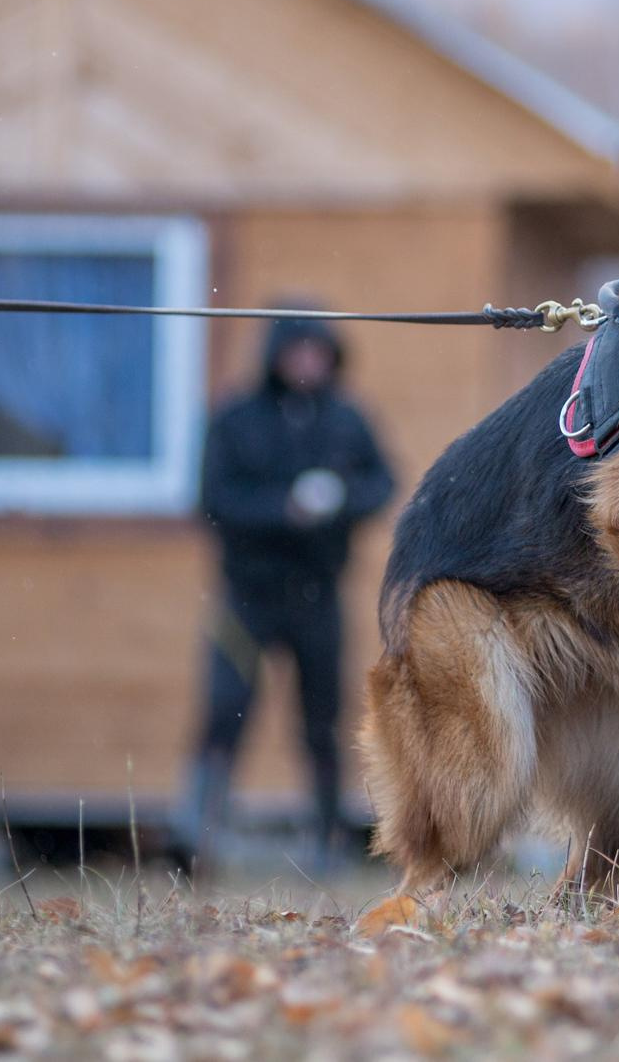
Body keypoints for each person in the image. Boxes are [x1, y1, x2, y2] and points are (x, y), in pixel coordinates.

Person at [170, 313, 395, 875]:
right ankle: (196, 835)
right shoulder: (236, 419)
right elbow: (214, 501)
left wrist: (338, 500)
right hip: (246, 598)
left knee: (323, 720)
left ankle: (326, 840)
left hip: (318, 595)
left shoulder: (345, 420)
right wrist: (285, 510)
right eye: (297, 352)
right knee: (226, 712)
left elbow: (382, 483)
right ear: (274, 355)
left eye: (318, 353)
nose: (307, 364)